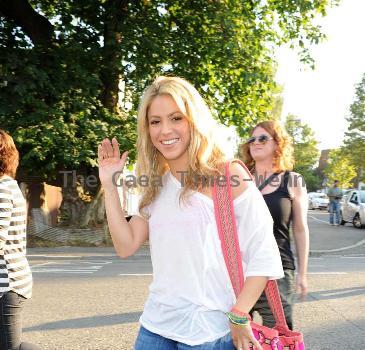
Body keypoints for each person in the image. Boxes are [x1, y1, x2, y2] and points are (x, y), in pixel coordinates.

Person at [98, 76, 284, 350]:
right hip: (155, 328)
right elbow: (125, 246)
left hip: (210, 332)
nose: (165, 130)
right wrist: (109, 185)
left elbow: (264, 252)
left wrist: (240, 312)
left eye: (176, 118)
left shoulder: (228, 176)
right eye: (155, 121)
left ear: (194, 121)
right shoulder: (155, 183)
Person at [241, 120, 309, 330]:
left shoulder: (293, 180)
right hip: (242, 269)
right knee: (236, 334)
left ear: (278, 144)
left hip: (278, 270)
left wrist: (302, 273)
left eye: (263, 138)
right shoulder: (239, 180)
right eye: (252, 139)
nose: (255, 142)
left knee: (279, 333)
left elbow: (300, 229)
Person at [0, 129, 41, 350]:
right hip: (10, 281)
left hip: (7, 284)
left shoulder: (2, 189)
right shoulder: (8, 185)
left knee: (11, 347)